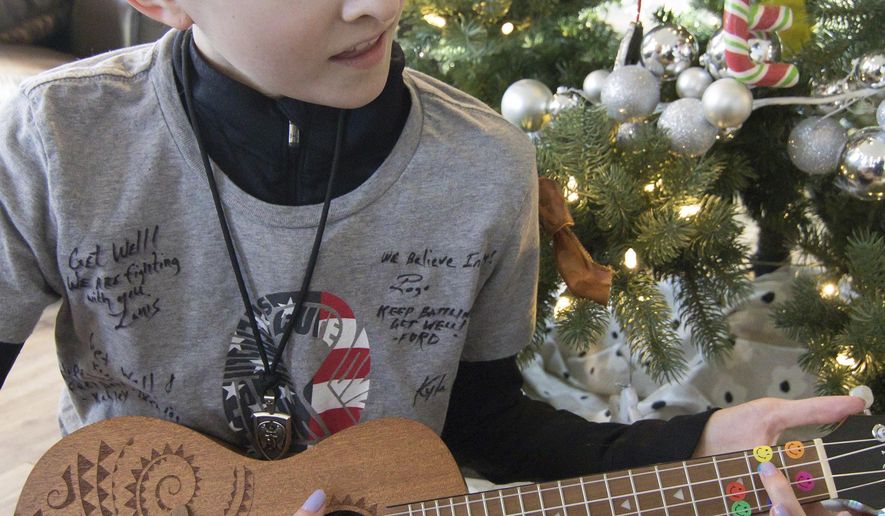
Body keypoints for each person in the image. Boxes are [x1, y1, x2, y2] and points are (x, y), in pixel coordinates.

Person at [0, 0, 867, 514]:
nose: (375, 7)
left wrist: (702, 441)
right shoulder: (60, 140)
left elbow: (480, 427)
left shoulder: (485, 167)